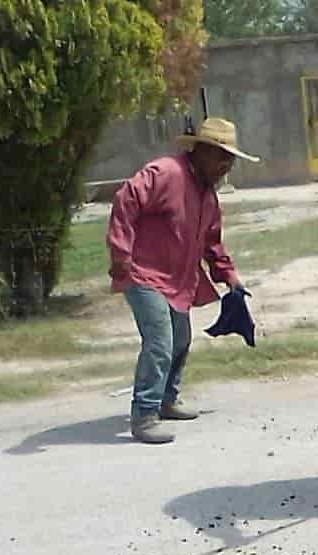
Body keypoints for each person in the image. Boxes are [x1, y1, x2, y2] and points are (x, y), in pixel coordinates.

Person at [106, 117, 258, 444]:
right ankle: (144, 414)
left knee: (181, 340)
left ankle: (166, 399)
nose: (226, 166)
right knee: (160, 341)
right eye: (221, 156)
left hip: (178, 280)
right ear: (200, 151)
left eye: (230, 159)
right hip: (143, 273)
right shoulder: (166, 174)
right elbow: (125, 200)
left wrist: (229, 277)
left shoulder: (207, 196)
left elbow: (212, 243)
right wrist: (121, 251)